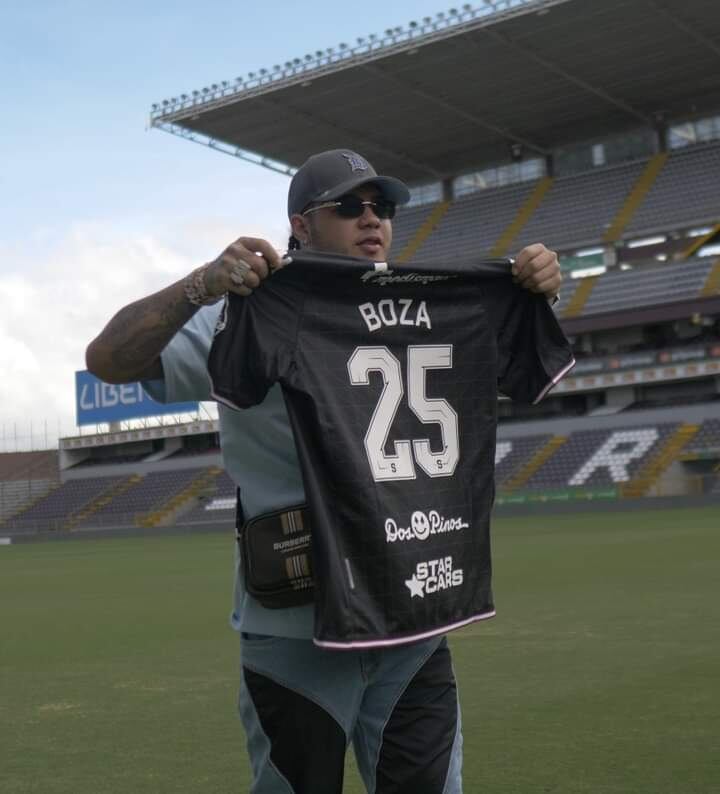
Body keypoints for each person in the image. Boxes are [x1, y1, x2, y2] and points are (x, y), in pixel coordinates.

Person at [86, 149, 562, 793]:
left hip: (411, 619)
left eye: (382, 207)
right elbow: (108, 358)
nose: (372, 220)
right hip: (297, 626)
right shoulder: (252, 309)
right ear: (301, 226)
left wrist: (532, 287)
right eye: (348, 206)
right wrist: (201, 283)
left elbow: (519, 360)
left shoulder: (435, 305)